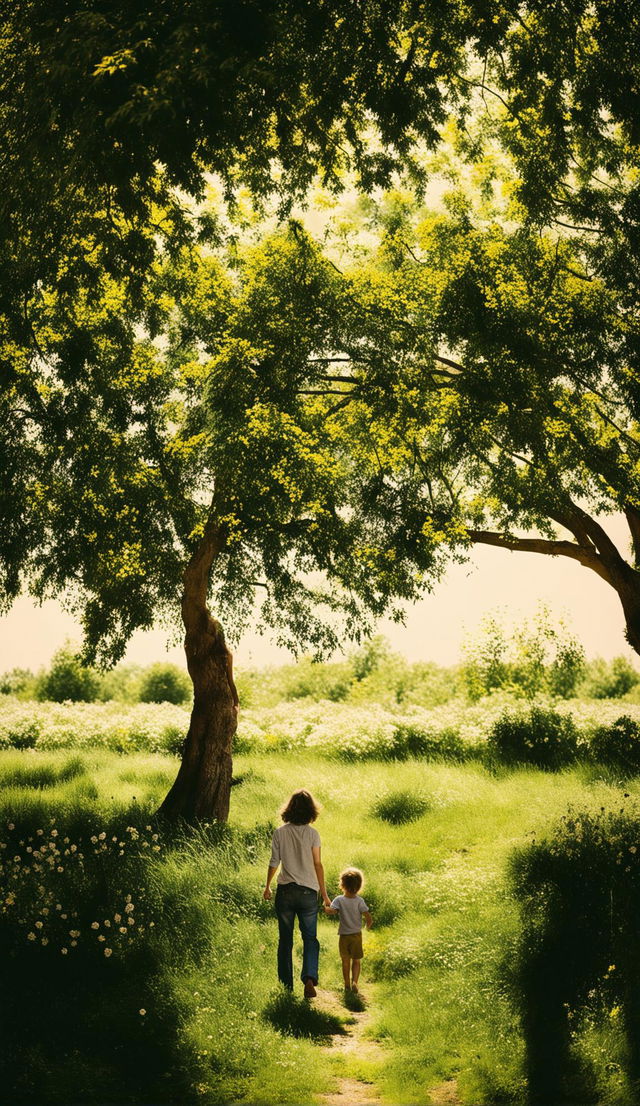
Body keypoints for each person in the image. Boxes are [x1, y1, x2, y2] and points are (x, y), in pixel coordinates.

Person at [263, 788, 331, 998]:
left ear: (289, 808)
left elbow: (275, 862)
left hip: (285, 892)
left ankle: (286, 988)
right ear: (311, 810)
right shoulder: (313, 834)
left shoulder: (280, 832)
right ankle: (309, 978)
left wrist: (267, 886)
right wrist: (325, 895)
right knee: (310, 938)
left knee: (285, 941)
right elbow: (318, 864)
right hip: (308, 892)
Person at [324, 867, 373, 993]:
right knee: (356, 960)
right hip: (357, 935)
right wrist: (367, 925)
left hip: (344, 936)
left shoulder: (339, 900)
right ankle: (355, 982)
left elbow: (332, 912)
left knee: (345, 961)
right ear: (359, 886)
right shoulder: (359, 901)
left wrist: (325, 907)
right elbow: (368, 917)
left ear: (342, 884)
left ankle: (346, 985)